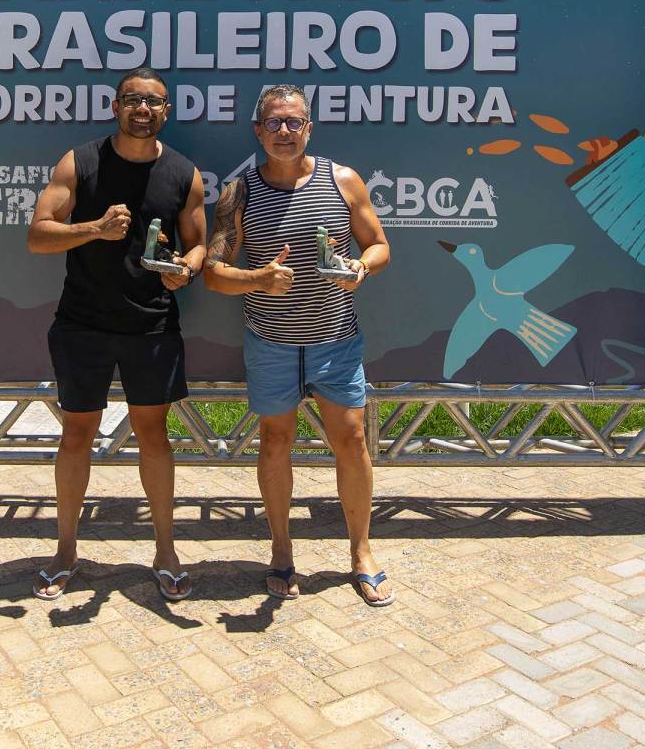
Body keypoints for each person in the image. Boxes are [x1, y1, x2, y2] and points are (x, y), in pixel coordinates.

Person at [204, 83, 393, 606]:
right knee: (274, 443)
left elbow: (379, 246)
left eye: (293, 122)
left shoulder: (343, 180)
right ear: (257, 130)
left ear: (309, 127)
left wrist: (360, 269)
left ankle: (361, 552)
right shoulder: (239, 192)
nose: (283, 131)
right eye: (273, 122)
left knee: (352, 442)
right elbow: (214, 273)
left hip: (336, 341)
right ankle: (282, 552)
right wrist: (258, 280)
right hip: (271, 342)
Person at [26, 68, 206, 602]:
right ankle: (65, 551)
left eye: (153, 102)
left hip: (151, 324)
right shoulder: (79, 162)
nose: (142, 110)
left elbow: (198, 244)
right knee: (76, 435)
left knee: (155, 436)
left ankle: (166, 552)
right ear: (115, 106)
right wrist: (94, 229)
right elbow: (37, 236)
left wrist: (187, 269)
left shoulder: (184, 173)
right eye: (133, 100)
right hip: (83, 323)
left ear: (166, 111)